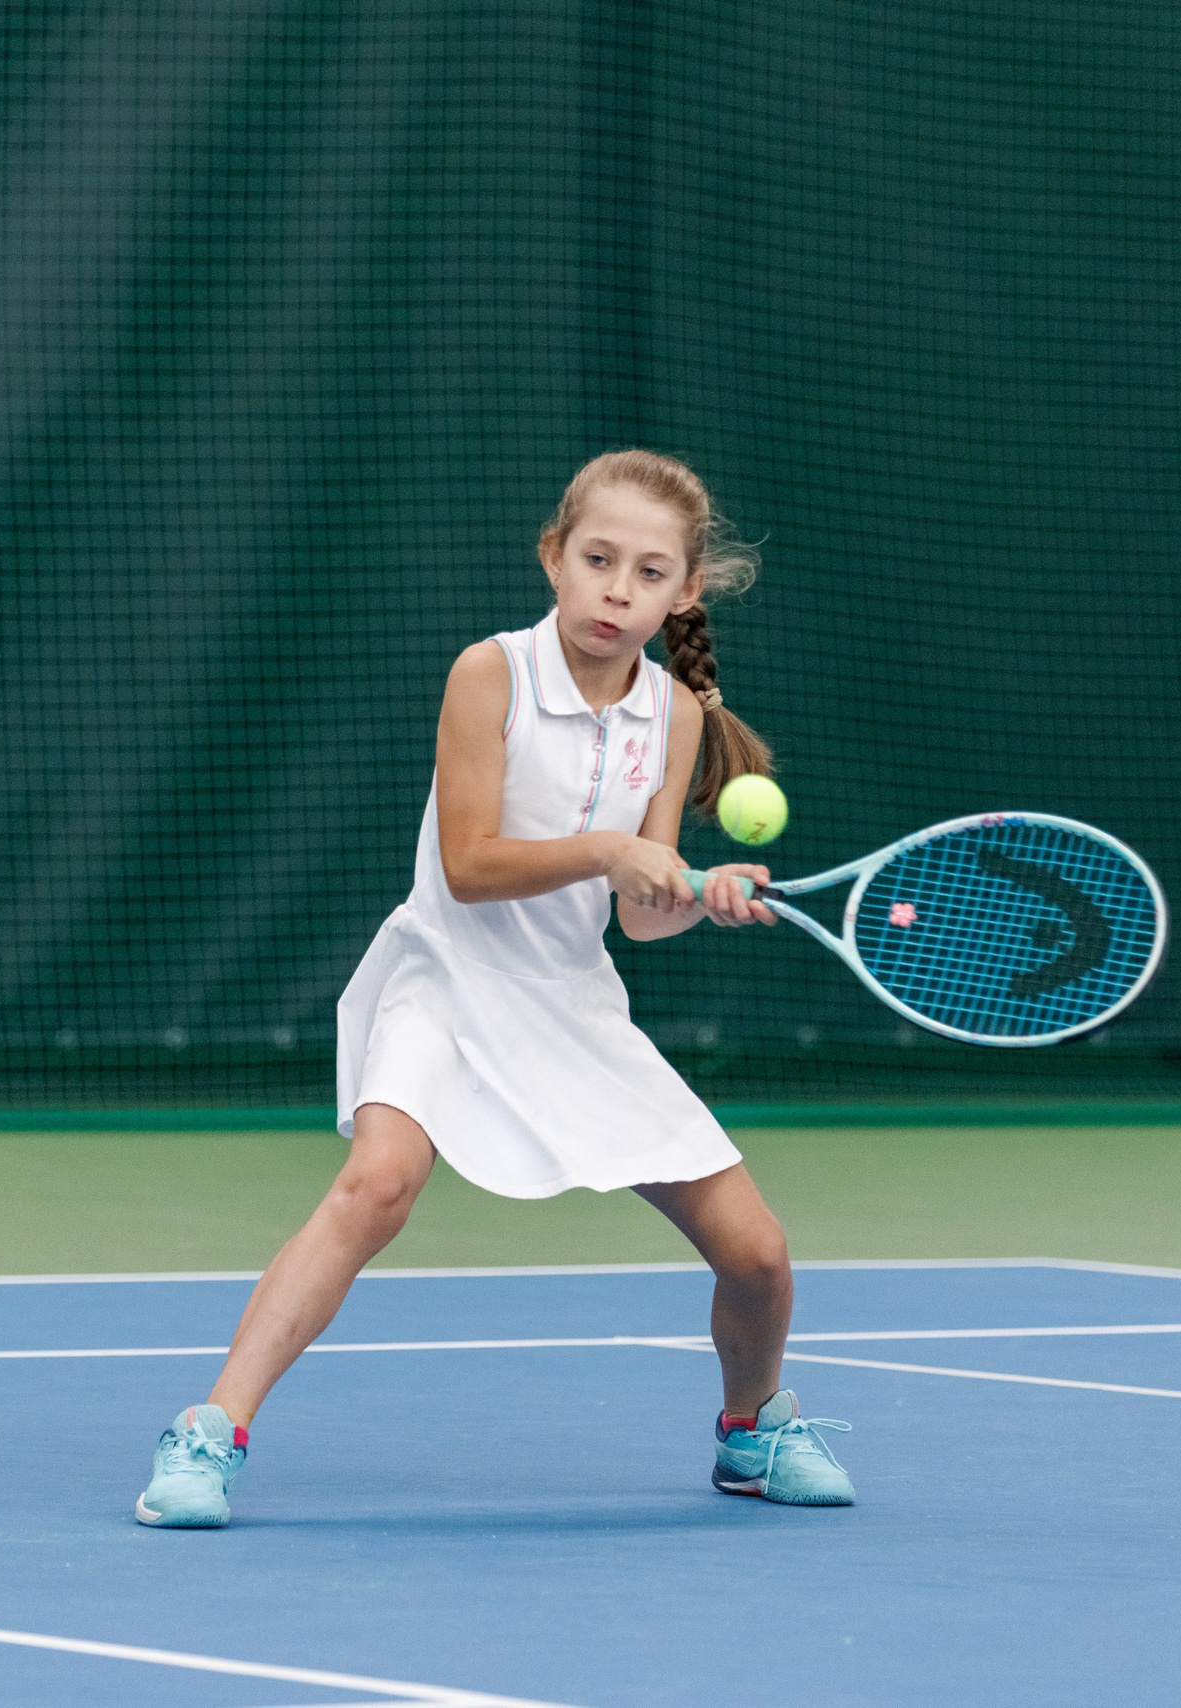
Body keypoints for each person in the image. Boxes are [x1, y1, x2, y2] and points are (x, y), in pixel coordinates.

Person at [135, 449, 854, 1527]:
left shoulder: (675, 715)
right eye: (598, 559)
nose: (618, 589)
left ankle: (749, 1432)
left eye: (649, 572)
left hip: (571, 1000)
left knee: (756, 1251)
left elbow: (638, 917)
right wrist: (614, 849)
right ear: (553, 558)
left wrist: (701, 891)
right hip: (444, 974)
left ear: (685, 592)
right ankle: (209, 1431)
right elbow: (470, 866)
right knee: (376, 1184)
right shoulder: (491, 673)